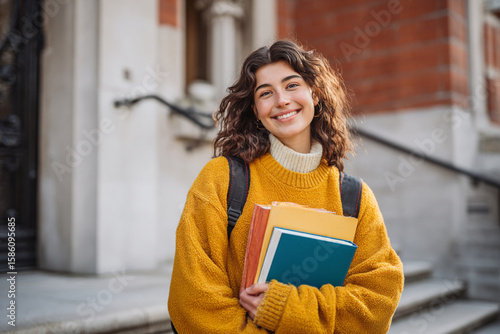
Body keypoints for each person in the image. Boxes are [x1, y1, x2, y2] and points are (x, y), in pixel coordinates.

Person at [168, 40, 404, 333]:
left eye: (292, 85)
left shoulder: (354, 197)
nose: (281, 100)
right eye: (266, 93)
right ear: (255, 110)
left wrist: (285, 307)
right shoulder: (221, 179)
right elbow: (193, 299)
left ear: (315, 94)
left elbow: (377, 302)